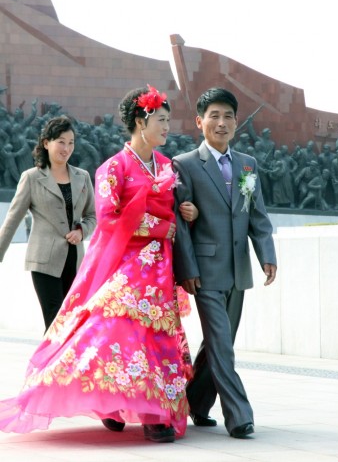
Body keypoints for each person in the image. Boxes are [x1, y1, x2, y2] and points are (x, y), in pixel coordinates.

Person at [0, 85, 196, 444]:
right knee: (119, 334)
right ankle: (116, 404)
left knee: (157, 336)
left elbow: (178, 207)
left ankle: (154, 409)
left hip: (161, 268)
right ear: (142, 120)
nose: (168, 127)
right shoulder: (113, 168)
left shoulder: (168, 166)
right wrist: (161, 226)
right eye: (162, 120)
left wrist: (186, 214)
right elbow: (108, 217)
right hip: (125, 265)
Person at [172, 87, 277, 439]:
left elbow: (257, 216)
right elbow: (181, 227)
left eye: (228, 116)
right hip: (204, 272)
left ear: (235, 122)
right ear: (199, 121)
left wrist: (267, 255)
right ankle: (239, 416)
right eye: (214, 116)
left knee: (217, 343)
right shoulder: (184, 164)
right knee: (222, 345)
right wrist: (187, 269)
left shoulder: (248, 164)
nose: (221, 122)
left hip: (239, 270)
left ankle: (195, 403)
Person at [0, 116, 96, 331]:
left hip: (75, 260)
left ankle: (59, 365)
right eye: (61, 141)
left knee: (72, 324)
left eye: (71, 142)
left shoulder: (83, 177)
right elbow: (12, 219)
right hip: (44, 262)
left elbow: (92, 215)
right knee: (55, 323)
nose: (67, 148)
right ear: (46, 143)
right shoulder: (32, 178)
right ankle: (49, 364)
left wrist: (82, 231)